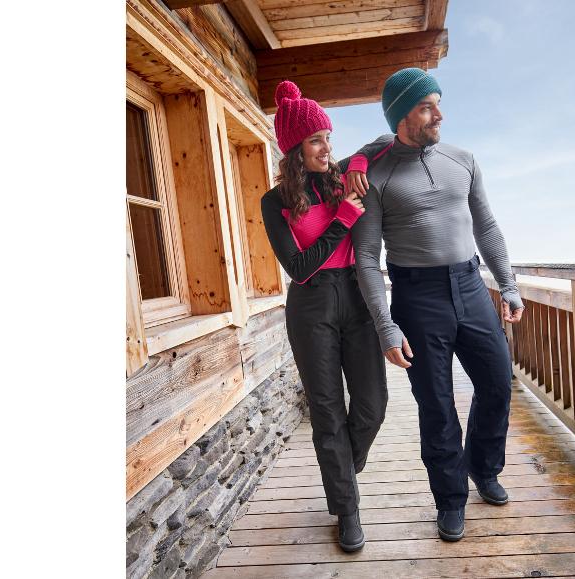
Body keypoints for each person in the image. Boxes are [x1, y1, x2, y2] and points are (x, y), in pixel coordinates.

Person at [346, 68, 525, 542]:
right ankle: (450, 500)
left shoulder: (463, 159)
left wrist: (507, 284)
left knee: (497, 382)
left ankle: (484, 469)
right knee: (437, 407)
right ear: (402, 114)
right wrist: (385, 326)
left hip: (469, 285)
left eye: (438, 103)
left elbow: (486, 226)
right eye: (427, 106)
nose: (439, 114)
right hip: (416, 296)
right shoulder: (375, 174)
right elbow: (366, 256)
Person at [260, 80, 392, 552]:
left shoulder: (339, 177)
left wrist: (355, 163)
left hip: (355, 298)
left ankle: (342, 474)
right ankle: (347, 509)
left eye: (329, 139)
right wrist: (342, 221)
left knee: (374, 404)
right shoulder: (274, 202)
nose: (326, 147)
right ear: (295, 148)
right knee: (328, 413)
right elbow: (297, 267)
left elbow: (384, 141)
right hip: (311, 303)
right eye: (317, 140)